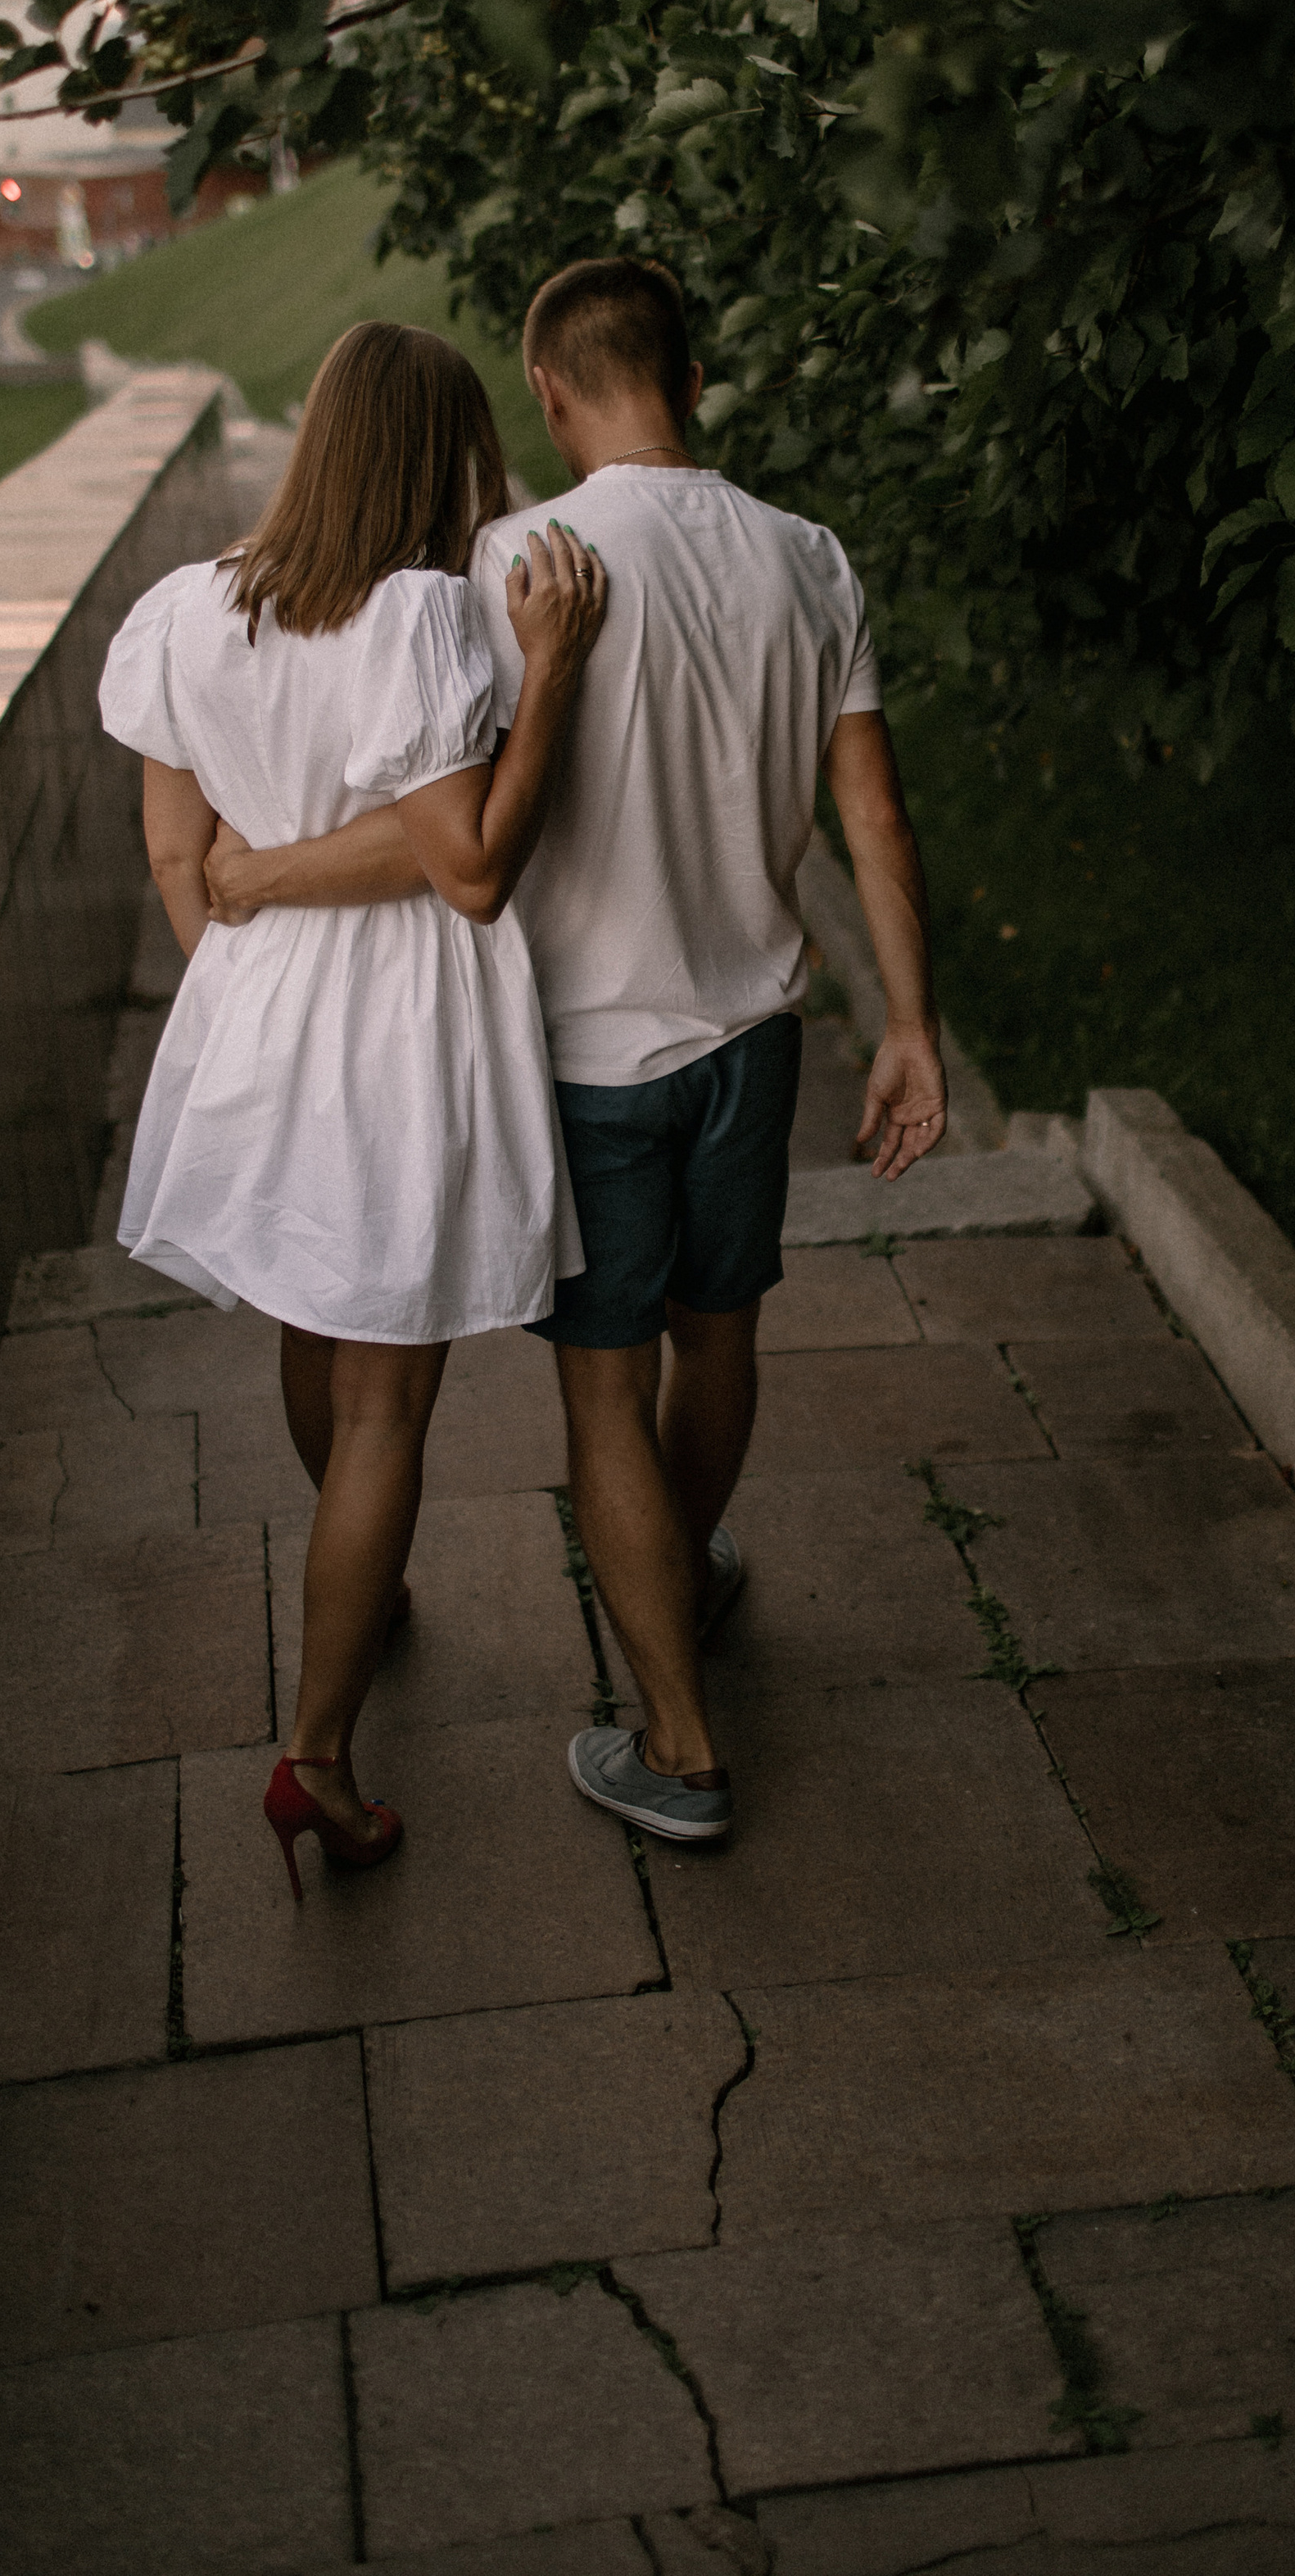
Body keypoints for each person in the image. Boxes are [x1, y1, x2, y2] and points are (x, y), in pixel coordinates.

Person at [202, 258, 945, 1848]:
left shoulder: (507, 565)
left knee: (601, 1399)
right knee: (718, 1335)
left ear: (544, 391)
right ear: (690, 375)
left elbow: (442, 833)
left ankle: (676, 1743)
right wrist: (909, 1027)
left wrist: (251, 874)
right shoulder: (809, 557)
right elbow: (868, 816)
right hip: (753, 1034)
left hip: (586, 1061)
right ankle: (676, 1576)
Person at [97, 319, 607, 1903]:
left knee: (309, 1330)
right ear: (440, 455)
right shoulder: (422, 622)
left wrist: (254, 997)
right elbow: (456, 862)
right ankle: (317, 1751)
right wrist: (547, 678)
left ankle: (354, 1583)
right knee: (389, 1397)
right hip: (393, 1024)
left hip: (256, 1014)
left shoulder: (188, 613)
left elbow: (183, 860)